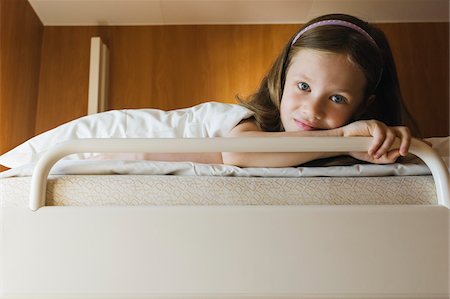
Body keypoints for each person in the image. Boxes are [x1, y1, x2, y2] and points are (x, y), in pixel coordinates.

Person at [221, 13, 418, 167]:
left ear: (361, 108)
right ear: (282, 78)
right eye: (304, 86)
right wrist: (341, 138)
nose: (312, 110)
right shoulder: (250, 120)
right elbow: (235, 152)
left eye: (337, 98)